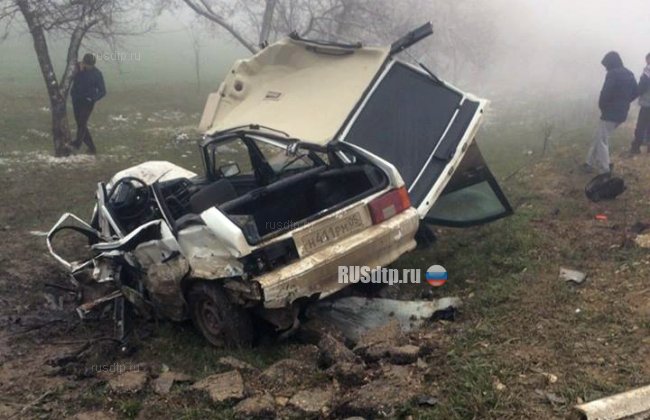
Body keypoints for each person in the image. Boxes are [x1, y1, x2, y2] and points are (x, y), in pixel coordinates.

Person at [584, 51, 638, 174]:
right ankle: (589, 163)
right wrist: (624, 101)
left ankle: (605, 169)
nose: (606, 68)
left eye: (606, 65)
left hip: (610, 113)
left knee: (602, 140)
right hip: (622, 112)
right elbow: (636, 92)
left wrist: (603, 106)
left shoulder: (612, 74)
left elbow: (605, 93)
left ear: (611, 63)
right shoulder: (629, 74)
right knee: (599, 136)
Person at [70, 53, 106, 154]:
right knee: (80, 124)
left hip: (88, 102)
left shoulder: (97, 74)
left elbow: (103, 91)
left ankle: (77, 143)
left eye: (91, 65)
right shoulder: (77, 69)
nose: (88, 67)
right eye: (87, 64)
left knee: (82, 122)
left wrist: (93, 98)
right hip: (76, 100)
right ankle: (92, 148)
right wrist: (78, 69)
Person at [631, 53, 650, 154]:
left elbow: (642, 86)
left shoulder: (648, 71)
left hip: (647, 103)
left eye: (647, 60)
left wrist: (633, 95)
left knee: (641, 125)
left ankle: (636, 147)